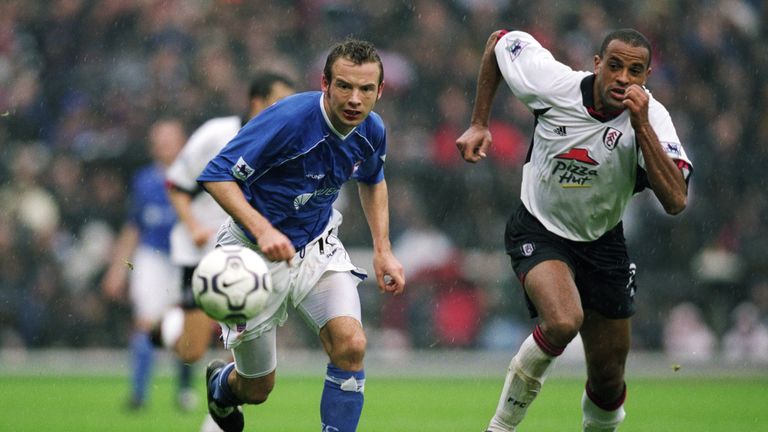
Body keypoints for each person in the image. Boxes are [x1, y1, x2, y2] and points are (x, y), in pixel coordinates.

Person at [456, 28, 693, 431]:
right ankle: (499, 427)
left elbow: (675, 200)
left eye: (634, 71)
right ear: (597, 64)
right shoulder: (553, 84)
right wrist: (479, 122)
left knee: (608, 376)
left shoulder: (652, 118)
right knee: (564, 320)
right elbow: (499, 41)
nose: (622, 78)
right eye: (614, 66)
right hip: (539, 228)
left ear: (647, 76)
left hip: (603, 243)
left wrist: (641, 127)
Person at [197, 37, 406, 432]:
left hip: (317, 247)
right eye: (344, 86)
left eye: (365, 89)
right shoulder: (287, 120)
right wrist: (263, 231)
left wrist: (383, 249)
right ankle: (222, 386)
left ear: (380, 91)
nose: (355, 99)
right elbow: (216, 176)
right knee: (258, 389)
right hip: (251, 254)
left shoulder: (372, 130)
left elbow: (373, 180)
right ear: (325, 84)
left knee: (352, 345)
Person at [158, 72, 295, 363]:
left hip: (247, 253)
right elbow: (176, 184)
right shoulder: (216, 134)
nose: (288, 110)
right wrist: (193, 227)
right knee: (191, 351)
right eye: (280, 102)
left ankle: (222, 407)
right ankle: (168, 326)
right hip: (202, 251)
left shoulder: (286, 146)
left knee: (241, 346)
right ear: (257, 103)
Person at [100, 119, 189, 410]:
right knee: (144, 323)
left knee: (182, 328)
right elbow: (133, 228)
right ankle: (138, 395)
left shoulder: (196, 178)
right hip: (151, 257)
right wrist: (118, 269)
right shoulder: (144, 181)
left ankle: (184, 392)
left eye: (168, 138)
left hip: (184, 258)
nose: (162, 145)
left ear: (182, 142)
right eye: (158, 139)